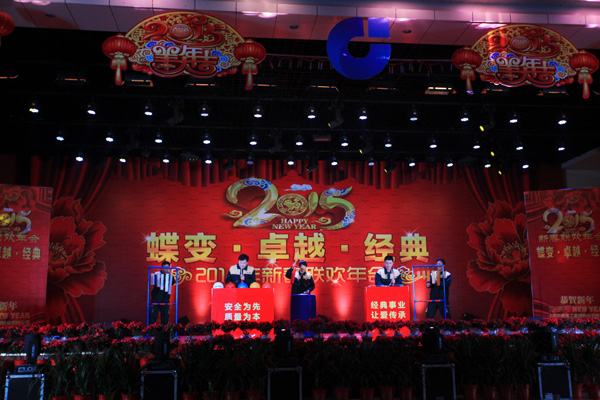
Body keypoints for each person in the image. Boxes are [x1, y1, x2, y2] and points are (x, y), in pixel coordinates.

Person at [149, 261, 174, 325]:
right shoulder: (157, 274)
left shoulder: (170, 276)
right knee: (153, 316)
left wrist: (168, 279)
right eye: (165, 267)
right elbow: (154, 283)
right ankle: (151, 329)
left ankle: (164, 329)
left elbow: (172, 283)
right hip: (156, 298)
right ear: (162, 267)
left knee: (165, 317)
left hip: (165, 299)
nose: (166, 269)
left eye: (168, 267)